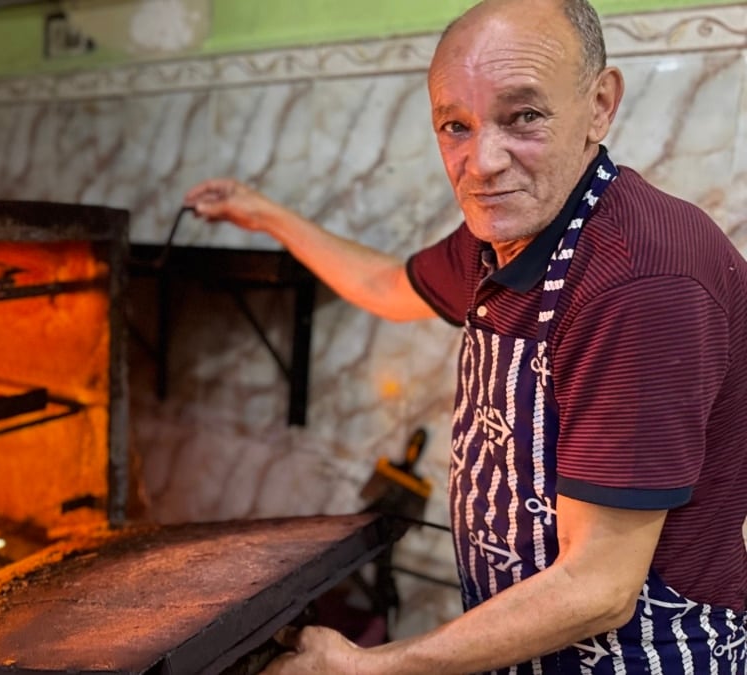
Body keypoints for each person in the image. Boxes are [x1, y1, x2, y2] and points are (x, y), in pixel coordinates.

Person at [184, 0, 747, 672]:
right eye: (456, 125)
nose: (481, 162)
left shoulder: (641, 279)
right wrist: (262, 213)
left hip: (649, 655)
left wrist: (367, 667)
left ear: (600, 106)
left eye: (524, 116)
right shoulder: (510, 233)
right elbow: (388, 285)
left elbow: (599, 588)